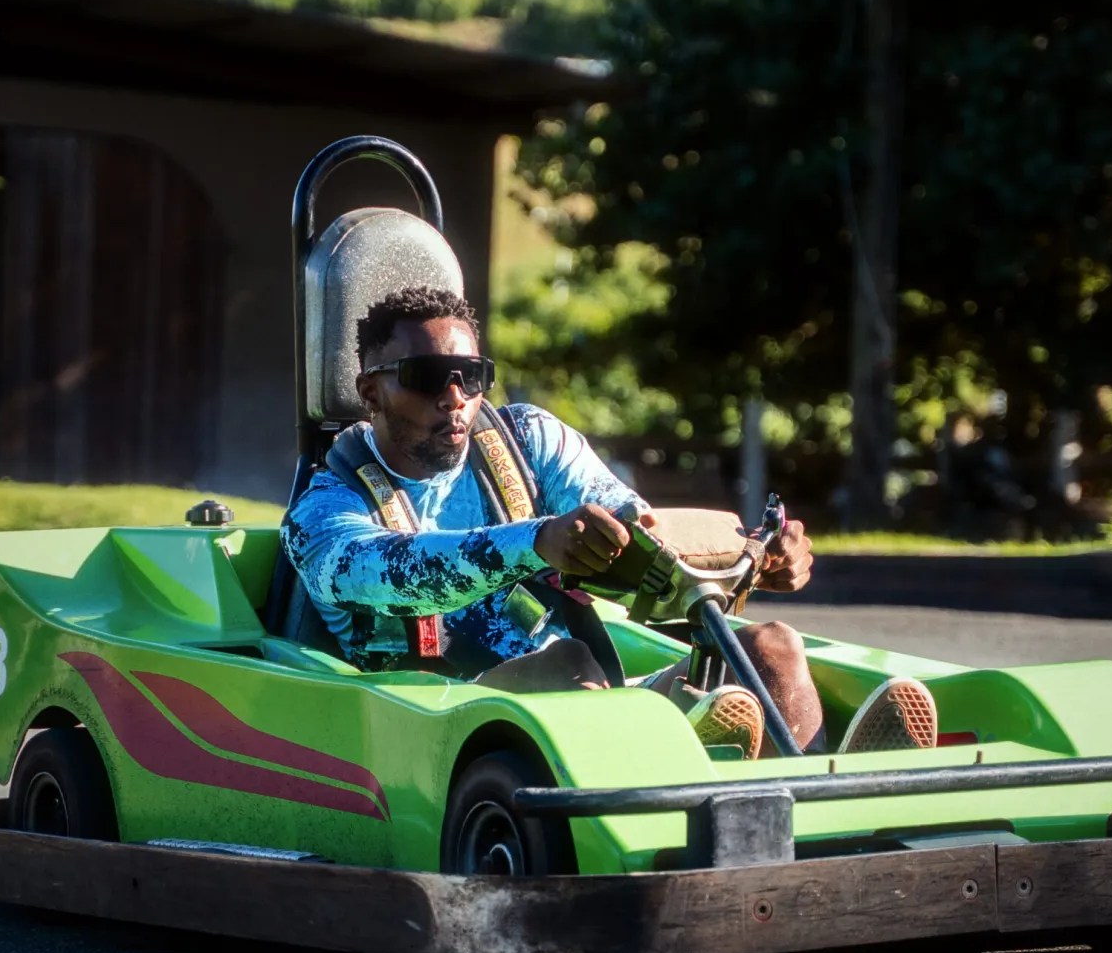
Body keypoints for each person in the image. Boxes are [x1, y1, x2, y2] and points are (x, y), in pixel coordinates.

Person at [281, 286, 937, 757]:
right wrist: (538, 540)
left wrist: (756, 555)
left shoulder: (528, 440)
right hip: (424, 728)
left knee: (772, 645)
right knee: (567, 662)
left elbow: (630, 522)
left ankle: (819, 806)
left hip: (594, 705)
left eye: (470, 375)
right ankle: (699, 769)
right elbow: (397, 573)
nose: (455, 398)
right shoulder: (322, 509)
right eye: (427, 377)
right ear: (371, 390)